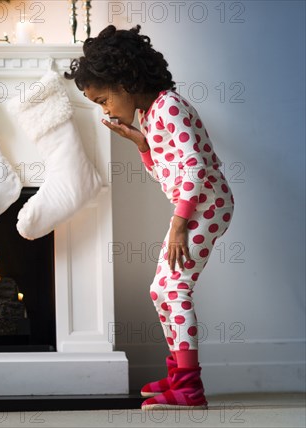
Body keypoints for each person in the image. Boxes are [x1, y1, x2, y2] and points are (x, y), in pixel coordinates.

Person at [65, 25, 234, 410]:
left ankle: (189, 388)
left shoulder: (169, 106)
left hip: (205, 205)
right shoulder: (153, 115)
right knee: (161, 289)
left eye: (104, 99)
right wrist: (142, 145)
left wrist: (178, 225)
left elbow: (194, 172)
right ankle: (178, 376)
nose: (105, 110)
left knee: (175, 289)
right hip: (195, 205)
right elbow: (167, 175)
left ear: (125, 82)